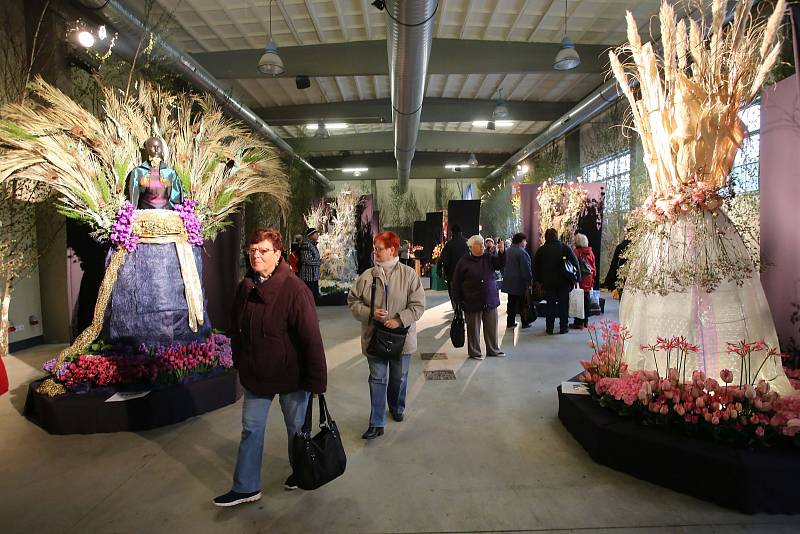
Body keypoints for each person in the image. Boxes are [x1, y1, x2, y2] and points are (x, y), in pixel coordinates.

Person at [214, 228, 327, 507]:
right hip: (256, 376)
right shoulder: (246, 287)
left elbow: (311, 338)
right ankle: (246, 487)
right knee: (251, 429)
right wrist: (239, 361)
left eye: (263, 251)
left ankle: (300, 472)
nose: (256, 255)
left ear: (278, 255)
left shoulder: (294, 289)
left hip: (292, 377)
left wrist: (316, 383)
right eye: (252, 250)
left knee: (296, 431)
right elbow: (237, 329)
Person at [347, 231, 426, 440]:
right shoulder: (367, 276)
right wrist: (371, 313)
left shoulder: (409, 275)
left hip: (402, 339)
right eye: (375, 249)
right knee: (377, 378)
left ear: (392, 249)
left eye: (379, 249)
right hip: (374, 337)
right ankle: (377, 422)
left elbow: (418, 305)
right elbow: (353, 301)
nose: (375, 253)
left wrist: (399, 319)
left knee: (399, 378)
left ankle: (397, 406)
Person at [451, 235, 506, 359]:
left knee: (492, 327)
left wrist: (502, 252)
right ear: (471, 247)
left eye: (483, 244)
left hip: (489, 299)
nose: (483, 246)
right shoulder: (463, 261)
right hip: (472, 301)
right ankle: (475, 352)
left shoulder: (488, 257)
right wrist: (458, 301)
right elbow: (456, 282)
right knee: (473, 329)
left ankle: (493, 350)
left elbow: (500, 265)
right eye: (480, 244)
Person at [533, 228, 580, 335]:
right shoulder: (564, 247)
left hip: (548, 283)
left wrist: (539, 281)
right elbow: (575, 263)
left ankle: (549, 328)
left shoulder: (541, 250)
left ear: (546, 237)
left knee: (550, 305)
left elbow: (536, 267)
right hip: (564, 282)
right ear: (556, 235)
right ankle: (563, 327)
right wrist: (577, 278)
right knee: (563, 305)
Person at [126, 137, 184, 210]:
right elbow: (133, 195)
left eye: (158, 147)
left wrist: (176, 211)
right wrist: (132, 213)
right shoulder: (138, 172)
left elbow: (176, 196)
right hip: (144, 212)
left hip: (166, 212)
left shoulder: (170, 172)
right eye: (153, 147)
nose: (156, 150)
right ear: (147, 149)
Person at [502, 232, 533, 329]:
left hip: (509, 281)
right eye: (525, 241)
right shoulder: (522, 252)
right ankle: (525, 322)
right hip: (519, 282)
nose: (526, 243)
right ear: (521, 241)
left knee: (511, 302)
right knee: (522, 303)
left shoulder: (508, 251)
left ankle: (510, 322)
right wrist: (529, 281)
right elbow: (526, 269)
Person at [438, 224, 469, 306]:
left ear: (452, 232)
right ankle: (464, 311)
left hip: (452, 275)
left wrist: (442, 271)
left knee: (454, 295)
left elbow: (443, 259)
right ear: (461, 232)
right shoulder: (467, 243)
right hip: (466, 274)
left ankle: (457, 313)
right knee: (465, 294)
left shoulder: (449, 244)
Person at [571, 233, 596, 330]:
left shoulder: (576, 252)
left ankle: (578, 322)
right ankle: (586, 321)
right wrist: (593, 278)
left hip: (580, 279)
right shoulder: (590, 252)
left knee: (578, 301)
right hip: (588, 278)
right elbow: (593, 267)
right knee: (586, 300)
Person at [299, 227, 321, 299]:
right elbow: (307, 260)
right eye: (316, 233)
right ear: (311, 235)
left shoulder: (313, 245)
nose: (318, 235)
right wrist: (319, 262)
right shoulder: (306, 245)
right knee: (309, 297)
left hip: (314, 276)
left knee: (314, 297)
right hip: (308, 277)